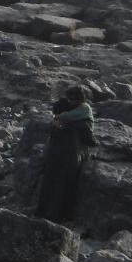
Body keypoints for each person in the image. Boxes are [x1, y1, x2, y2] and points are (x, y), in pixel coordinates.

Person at [36, 86, 95, 225]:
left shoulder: (79, 113)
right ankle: (61, 215)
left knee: (53, 185)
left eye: (71, 99)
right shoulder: (76, 120)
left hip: (61, 157)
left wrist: (56, 119)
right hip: (70, 157)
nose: (70, 101)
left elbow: (64, 118)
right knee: (65, 186)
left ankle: (49, 212)